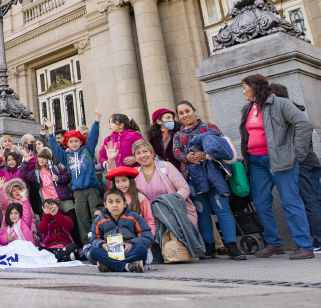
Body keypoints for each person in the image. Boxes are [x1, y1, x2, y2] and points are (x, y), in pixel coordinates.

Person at [238, 74, 314, 260]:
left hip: (280, 161)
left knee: (290, 201)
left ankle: (304, 245)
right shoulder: (248, 108)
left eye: (245, 88)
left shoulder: (280, 103)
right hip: (256, 162)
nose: (243, 92)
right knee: (261, 202)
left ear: (254, 88)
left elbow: (303, 124)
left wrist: (297, 153)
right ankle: (274, 243)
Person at [172, 101, 243, 259]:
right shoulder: (178, 135)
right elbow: (176, 152)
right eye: (181, 113)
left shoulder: (210, 127)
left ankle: (232, 246)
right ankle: (209, 247)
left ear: (194, 111)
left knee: (222, 210)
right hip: (192, 178)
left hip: (215, 176)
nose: (185, 115)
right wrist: (187, 157)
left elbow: (223, 145)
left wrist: (207, 155)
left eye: (187, 111)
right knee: (202, 212)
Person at [268, 83, 321, 252]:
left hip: (303, 163)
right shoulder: (295, 110)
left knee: (309, 201)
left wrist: (296, 156)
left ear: (274, 97)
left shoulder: (285, 113)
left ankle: (319, 240)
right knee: (315, 200)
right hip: (311, 161)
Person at [46, 108, 102, 244]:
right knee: (81, 219)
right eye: (71, 142)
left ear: (81, 141)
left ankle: (101, 241)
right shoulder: (66, 157)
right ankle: (87, 245)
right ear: (67, 144)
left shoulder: (87, 151)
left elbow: (94, 136)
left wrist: (97, 120)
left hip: (92, 190)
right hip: (77, 193)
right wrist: (51, 131)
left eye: (76, 141)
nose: (74, 143)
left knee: (98, 217)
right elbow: (54, 148)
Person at [129, 140, 197, 227]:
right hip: (151, 219)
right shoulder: (135, 174)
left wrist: (170, 203)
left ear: (152, 153)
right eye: (138, 153)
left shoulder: (165, 166)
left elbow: (184, 188)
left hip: (175, 213)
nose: (142, 155)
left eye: (145, 151)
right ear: (135, 157)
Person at [87, 188, 153, 273]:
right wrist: (103, 245)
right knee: (93, 251)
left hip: (128, 252)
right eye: (110, 202)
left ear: (125, 203)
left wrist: (131, 244)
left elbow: (148, 238)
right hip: (110, 253)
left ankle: (111, 266)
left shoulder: (134, 217)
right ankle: (127, 266)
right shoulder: (99, 220)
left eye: (118, 201)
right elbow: (94, 240)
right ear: (105, 205)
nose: (114, 205)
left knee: (141, 249)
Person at [104, 166, 155, 236]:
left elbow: (149, 220)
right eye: (117, 181)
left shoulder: (140, 198)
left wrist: (149, 239)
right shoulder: (110, 199)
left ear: (130, 181)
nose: (121, 184)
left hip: (138, 239)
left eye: (124, 180)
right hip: (116, 240)